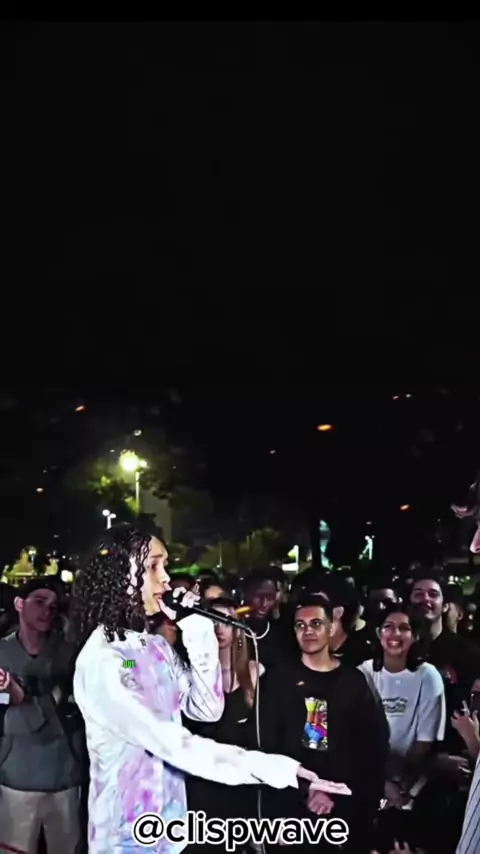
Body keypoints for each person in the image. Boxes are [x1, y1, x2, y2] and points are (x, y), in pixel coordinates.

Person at [71, 523, 346, 854]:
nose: (166, 578)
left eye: (165, 565)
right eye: (153, 566)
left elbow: (207, 708)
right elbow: (175, 744)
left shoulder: (152, 647)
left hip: (168, 829)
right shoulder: (104, 661)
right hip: (124, 838)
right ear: (119, 575)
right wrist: (277, 769)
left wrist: (197, 630)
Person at [261, 595, 389, 853]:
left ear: (332, 628)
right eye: (300, 625)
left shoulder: (354, 681)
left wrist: (344, 793)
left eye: (316, 624)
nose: (308, 631)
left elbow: (373, 744)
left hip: (347, 808)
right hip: (290, 810)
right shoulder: (277, 680)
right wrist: (306, 789)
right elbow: (266, 746)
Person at [0, 578, 86, 854]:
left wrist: (135, 660)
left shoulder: (70, 652)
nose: (47, 610)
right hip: (17, 778)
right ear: (19, 604)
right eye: (39, 601)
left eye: (53, 606)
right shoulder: (2, 653)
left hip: (65, 776)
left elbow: (123, 662)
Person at [186, 596, 265, 850]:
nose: (218, 628)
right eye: (211, 621)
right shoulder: (191, 672)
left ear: (237, 627)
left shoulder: (255, 672)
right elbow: (133, 663)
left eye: (225, 621)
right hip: (202, 780)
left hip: (241, 780)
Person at [359, 604, 445, 808]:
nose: (395, 634)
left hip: (409, 780)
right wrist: (381, 781)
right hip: (368, 773)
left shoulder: (428, 676)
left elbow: (423, 744)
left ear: (415, 636)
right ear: (379, 633)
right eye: (388, 626)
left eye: (404, 628)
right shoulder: (364, 672)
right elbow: (356, 735)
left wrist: (398, 783)